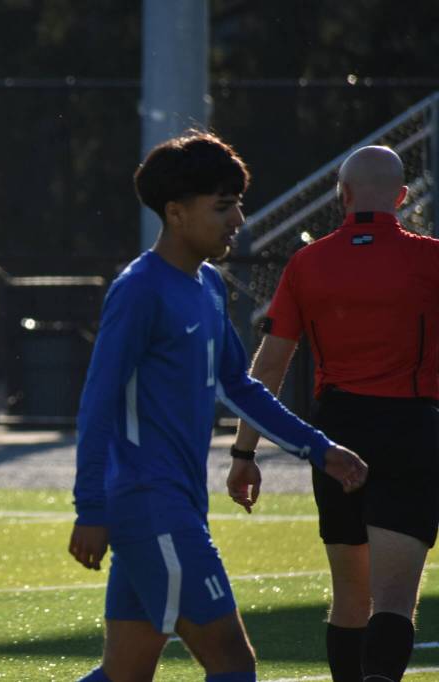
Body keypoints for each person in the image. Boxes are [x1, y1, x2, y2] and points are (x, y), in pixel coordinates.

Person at [69, 131, 368, 682]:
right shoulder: (139, 289)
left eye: (238, 205)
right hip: (150, 506)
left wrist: (318, 449)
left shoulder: (207, 285)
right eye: (223, 206)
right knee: (233, 663)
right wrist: (90, 507)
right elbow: (98, 401)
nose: (238, 220)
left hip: (171, 505)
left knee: (125, 673)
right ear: (176, 213)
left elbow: (239, 385)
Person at [227, 145, 437, 682]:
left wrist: (244, 451)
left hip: (337, 434)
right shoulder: (430, 259)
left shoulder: (307, 263)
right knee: (393, 600)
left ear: (341, 196)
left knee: (349, 599)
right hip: (411, 430)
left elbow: (269, 367)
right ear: (402, 197)